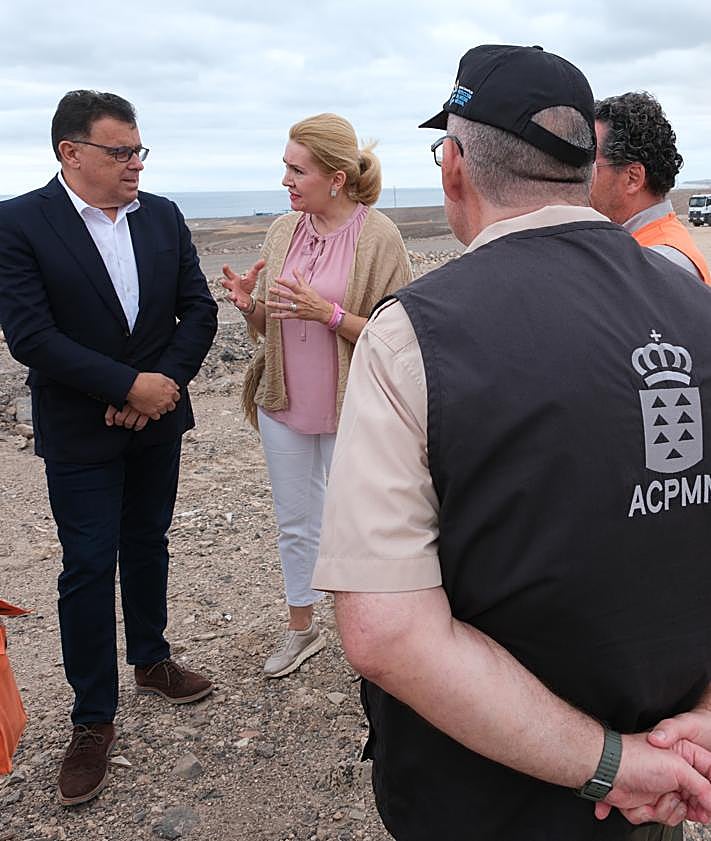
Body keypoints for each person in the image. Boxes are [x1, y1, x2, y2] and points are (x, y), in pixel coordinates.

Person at [312, 45, 711, 840]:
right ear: (584, 166)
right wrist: (695, 726)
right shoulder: (695, 304)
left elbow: (387, 631)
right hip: (672, 766)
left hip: (478, 799)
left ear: (454, 167)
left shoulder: (413, 335)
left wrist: (614, 764)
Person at [0, 90, 218, 806]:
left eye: (138, 150)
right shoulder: (19, 222)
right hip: (81, 425)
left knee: (148, 540)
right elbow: (31, 335)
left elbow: (199, 308)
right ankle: (92, 718)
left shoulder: (163, 214)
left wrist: (162, 386)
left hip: (156, 418)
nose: (134, 164)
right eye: (119, 151)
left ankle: (152, 660)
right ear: (72, 152)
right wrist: (128, 385)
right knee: (88, 566)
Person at [221, 113, 411, 678]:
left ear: (334, 177)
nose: (285, 179)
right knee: (295, 518)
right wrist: (249, 305)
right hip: (284, 401)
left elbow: (399, 333)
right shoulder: (283, 231)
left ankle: (375, 633)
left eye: (295, 169)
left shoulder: (379, 237)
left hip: (352, 404)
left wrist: (325, 313)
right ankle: (302, 628)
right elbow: (272, 325)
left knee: (358, 523)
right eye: (285, 165)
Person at [591, 91, 710, 284]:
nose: (581, 178)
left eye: (591, 167)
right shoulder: (639, 245)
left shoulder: (662, 262)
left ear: (633, 178)